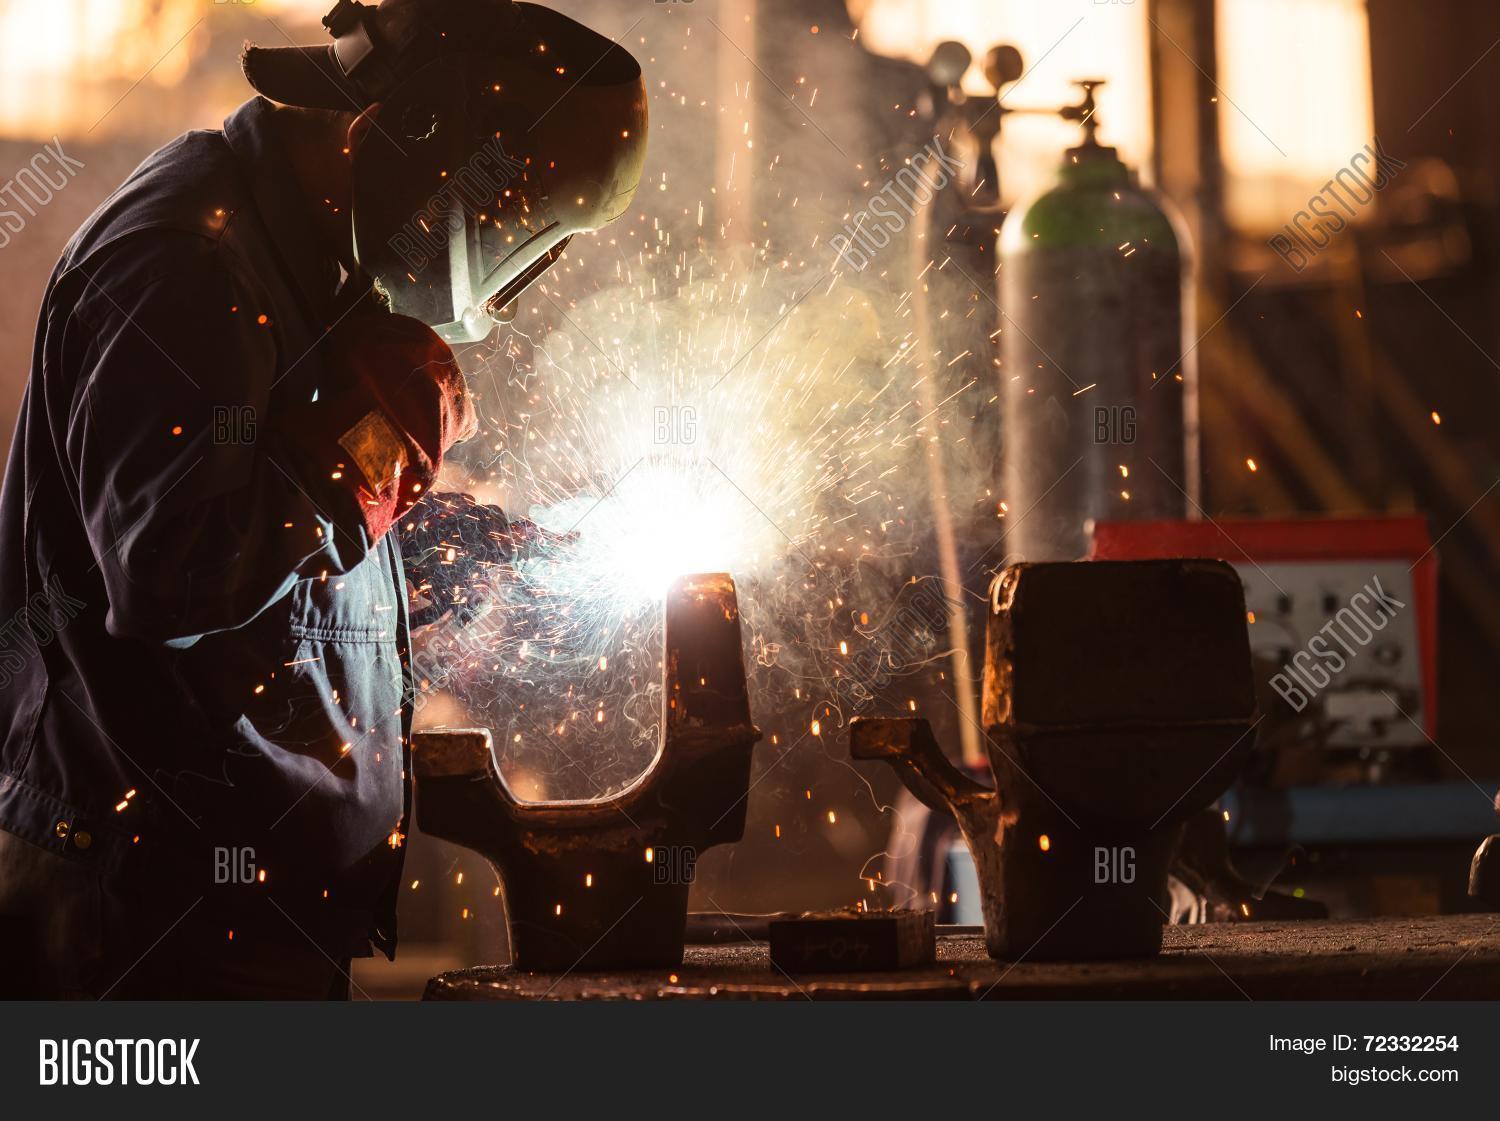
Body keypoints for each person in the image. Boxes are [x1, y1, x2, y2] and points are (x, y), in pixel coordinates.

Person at [0, 0, 646, 998]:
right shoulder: (191, 261)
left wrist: (423, 548)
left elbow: (276, 518)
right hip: (148, 923)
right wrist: (379, 447)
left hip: (244, 903)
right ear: (434, 142)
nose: (511, 255)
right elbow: (175, 570)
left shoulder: (302, 250)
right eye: (516, 215)